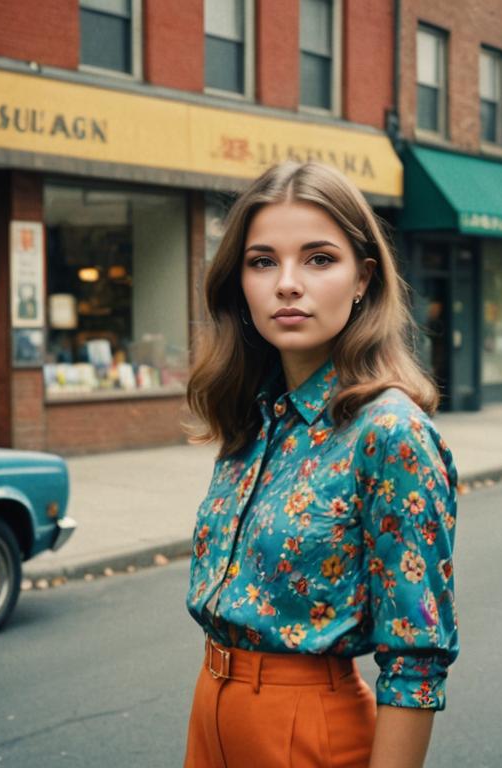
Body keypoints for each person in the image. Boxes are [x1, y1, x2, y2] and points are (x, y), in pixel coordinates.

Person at [182, 162, 459, 768]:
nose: (287, 283)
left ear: (362, 279)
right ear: (240, 283)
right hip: (211, 715)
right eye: (262, 261)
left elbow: (417, 654)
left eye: (318, 259)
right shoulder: (256, 419)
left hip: (307, 729)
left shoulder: (390, 432)